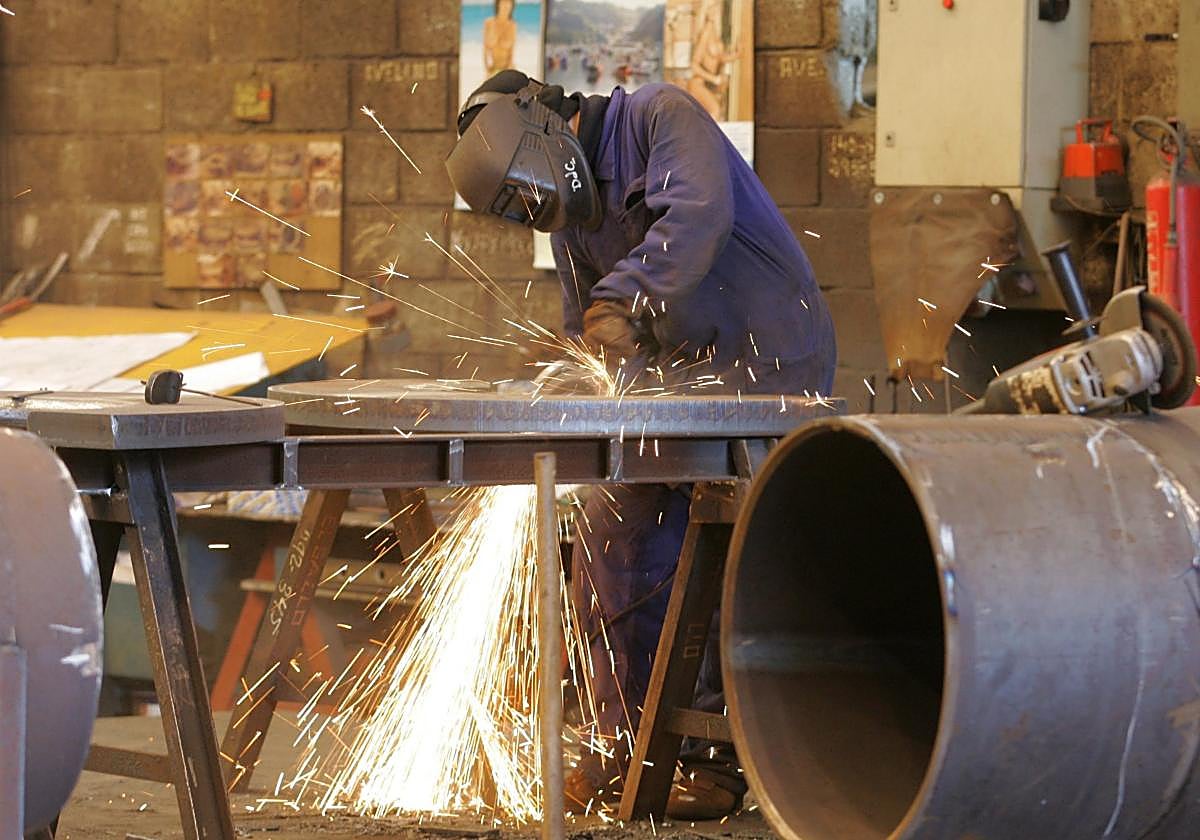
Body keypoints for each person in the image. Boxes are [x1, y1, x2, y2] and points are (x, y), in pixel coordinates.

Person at [446, 70, 836, 820]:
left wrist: (623, 303)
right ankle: (626, 747)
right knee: (609, 533)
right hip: (675, 393)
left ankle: (718, 762)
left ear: (543, 126)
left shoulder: (662, 117)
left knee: (733, 551)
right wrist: (573, 381)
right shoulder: (572, 215)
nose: (538, 216)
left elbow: (696, 215)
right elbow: (584, 326)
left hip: (765, 371)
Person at [687, 0, 740, 120]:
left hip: (707, 85)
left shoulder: (715, 32)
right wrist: (714, 79)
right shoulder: (705, 33)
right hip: (697, 84)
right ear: (707, 10)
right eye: (713, 7)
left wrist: (735, 56)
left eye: (717, 7)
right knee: (715, 111)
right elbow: (694, 65)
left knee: (711, 115)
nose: (717, 10)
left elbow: (718, 58)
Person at [483, 0, 517, 75]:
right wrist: (487, 70)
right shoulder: (489, 23)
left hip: (508, 69)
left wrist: (508, 72)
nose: (506, 6)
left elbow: (511, 53)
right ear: (498, 4)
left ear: (512, 6)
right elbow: (485, 50)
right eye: (503, 2)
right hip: (491, 69)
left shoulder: (512, 25)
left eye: (509, 3)